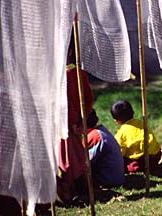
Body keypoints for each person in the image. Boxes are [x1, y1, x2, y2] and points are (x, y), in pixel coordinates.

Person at [57, 35, 94, 203]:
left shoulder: (61, 76)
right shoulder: (79, 73)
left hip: (66, 124)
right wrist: (82, 120)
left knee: (68, 159)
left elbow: (67, 103)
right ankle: (80, 189)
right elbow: (88, 99)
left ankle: (71, 192)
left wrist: (73, 123)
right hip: (77, 123)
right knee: (78, 157)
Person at [110, 100, 162, 174]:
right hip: (156, 156)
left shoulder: (121, 134)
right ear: (133, 112)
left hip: (141, 161)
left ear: (116, 121)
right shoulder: (141, 123)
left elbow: (119, 154)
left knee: (125, 164)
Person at [86, 109, 125, 187]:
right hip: (116, 177)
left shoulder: (94, 136)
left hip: (108, 180)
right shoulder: (101, 130)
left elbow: (86, 164)